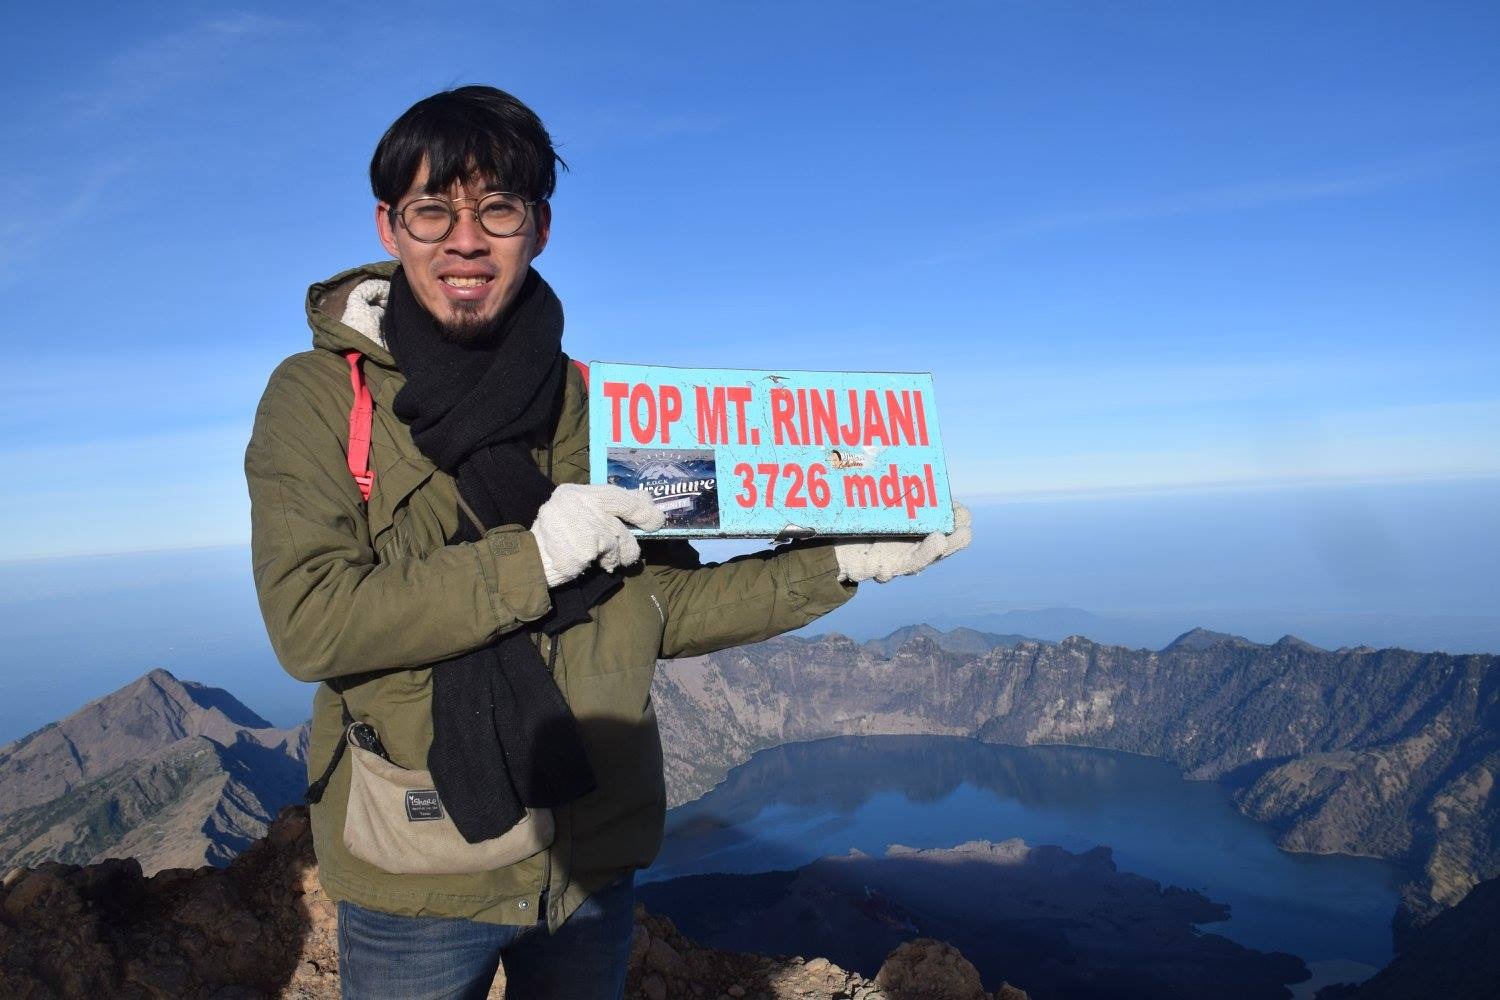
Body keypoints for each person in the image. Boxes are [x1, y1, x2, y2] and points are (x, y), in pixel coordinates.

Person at [244, 85, 971, 1000]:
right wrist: (531, 561)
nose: (465, 241)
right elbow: (312, 624)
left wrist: (839, 562)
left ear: (539, 228)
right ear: (391, 226)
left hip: (590, 857)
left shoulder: (590, 402)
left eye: (497, 209)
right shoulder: (318, 397)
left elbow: (660, 604)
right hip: (419, 874)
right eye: (434, 210)